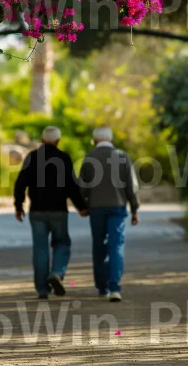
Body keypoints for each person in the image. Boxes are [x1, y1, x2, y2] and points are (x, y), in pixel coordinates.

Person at [14, 126, 87, 300]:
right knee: (62, 244)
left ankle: (42, 290)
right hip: (58, 211)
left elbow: (20, 182)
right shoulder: (63, 158)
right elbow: (72, 186)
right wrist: (81, 207)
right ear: (58, 141)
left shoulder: (32, 157)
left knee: (40, 249)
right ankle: (57, 272)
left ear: (42, 139)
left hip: (37, 211)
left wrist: (19, 205)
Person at [79, 127, 139, 302]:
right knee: (116, 246)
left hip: (96, 208)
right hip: (118, 207)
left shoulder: (89, 158)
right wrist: (135, 209)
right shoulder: (122, 156)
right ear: (111, 140)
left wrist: (82, 207)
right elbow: (131, 187)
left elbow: (82, 187)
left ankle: (101, 287)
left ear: (95, 140)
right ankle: (115, 288)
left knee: (99, 246)